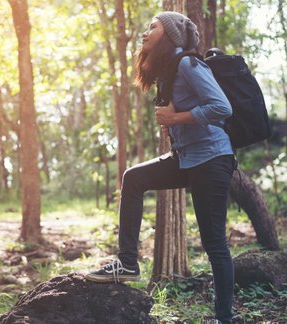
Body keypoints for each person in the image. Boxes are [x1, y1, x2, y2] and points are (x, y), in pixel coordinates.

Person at [84, 11, 235, 324]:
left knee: (214, 243)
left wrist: (175, 118)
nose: (144, 33)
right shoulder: (167, 71)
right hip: (188, 157)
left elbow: (222, 106)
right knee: (134, 178)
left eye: (152, 27)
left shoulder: (188, 64)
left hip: (212, 158)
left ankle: (224, 318)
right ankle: (127, 262)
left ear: (170, 35)